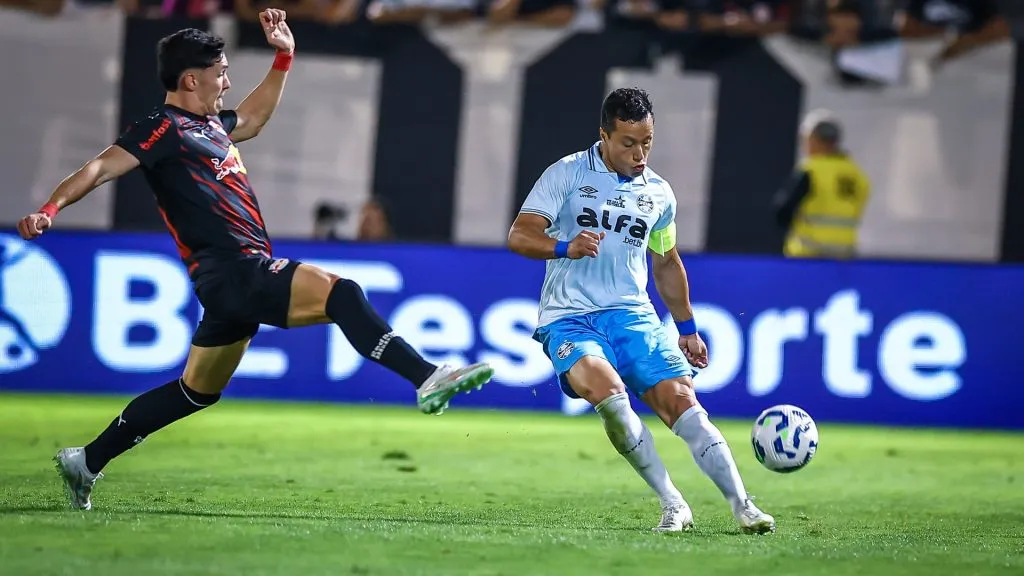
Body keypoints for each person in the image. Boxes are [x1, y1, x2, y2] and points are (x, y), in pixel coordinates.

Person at [16, 11, 494, 512]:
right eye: (221, 72)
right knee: (342, 292)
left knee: (194, 393)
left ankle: (86, 460)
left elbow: (255, 117)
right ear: (190, 79)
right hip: (234, 267)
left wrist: (283, 57)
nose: (226, 81)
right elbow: (98, 167)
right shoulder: (163, 128)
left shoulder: (212, 128)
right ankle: (425, 377)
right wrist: (50, 209)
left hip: (228, 282)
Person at [507, 87, 775, 534]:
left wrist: (687, 328)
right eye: (628, 143)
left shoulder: (658, 194)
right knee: (610, 399)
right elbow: (520, 234)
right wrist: (564, 247)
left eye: (647, 142)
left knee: (683, 404)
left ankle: (743, 505)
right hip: (569, 317)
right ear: (604, 136)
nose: (639, 153)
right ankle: (673, 503)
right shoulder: (568, 174)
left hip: (633, 316)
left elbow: (666, 262)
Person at [774, 109, 871, 259]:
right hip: (844, 256)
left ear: (814, 139)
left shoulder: (810, 171)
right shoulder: (858, 175)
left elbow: (781, 211)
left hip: (808, 255)